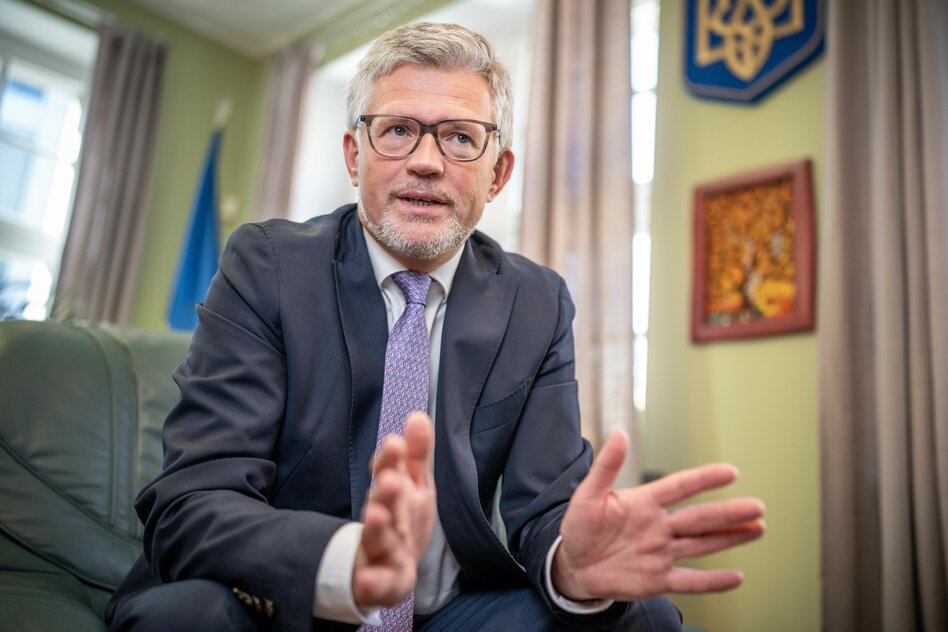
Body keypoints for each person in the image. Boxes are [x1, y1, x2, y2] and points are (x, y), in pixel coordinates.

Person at [106, 22, 765, 632]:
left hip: (444, 616)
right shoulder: (268, 266)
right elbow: (194, 500)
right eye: (397, 130)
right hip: (280, 602)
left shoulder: (537, 303)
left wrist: (572, 567)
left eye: (460, 137)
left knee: (643, 616)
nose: (426, 161)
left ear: (497, 173)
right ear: (354, 156)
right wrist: (348, 562)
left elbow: (546, 509)